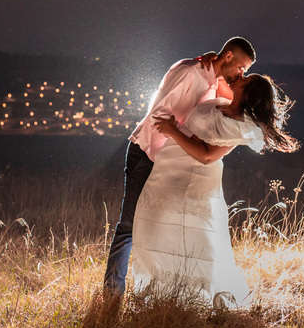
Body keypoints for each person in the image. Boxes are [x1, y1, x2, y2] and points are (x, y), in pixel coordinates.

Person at [102, 37, 256, 294]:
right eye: (241, 67)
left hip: (168, 162)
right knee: (130, 226)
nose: (242, 73)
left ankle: (155, 291)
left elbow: (233, 105)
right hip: (148, 152)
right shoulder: (188, 73)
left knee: (155, 227)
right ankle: (112, 293)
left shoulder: (214, 81)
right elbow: (159, 116)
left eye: (246, 71)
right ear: (228, 56)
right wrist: (184, 136)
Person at [131, 73, 299, 307]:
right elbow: (219, 77)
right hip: (169, 167)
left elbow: (207, 156)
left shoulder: (237, 126)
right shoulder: (222, 103)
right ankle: (161, 287)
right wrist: (214, 65)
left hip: (195, 177)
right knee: (156, 224)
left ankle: (191, 295)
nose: (241, 76)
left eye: (245, 77)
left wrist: (172, 130)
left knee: (193, 233)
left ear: (247, 92)